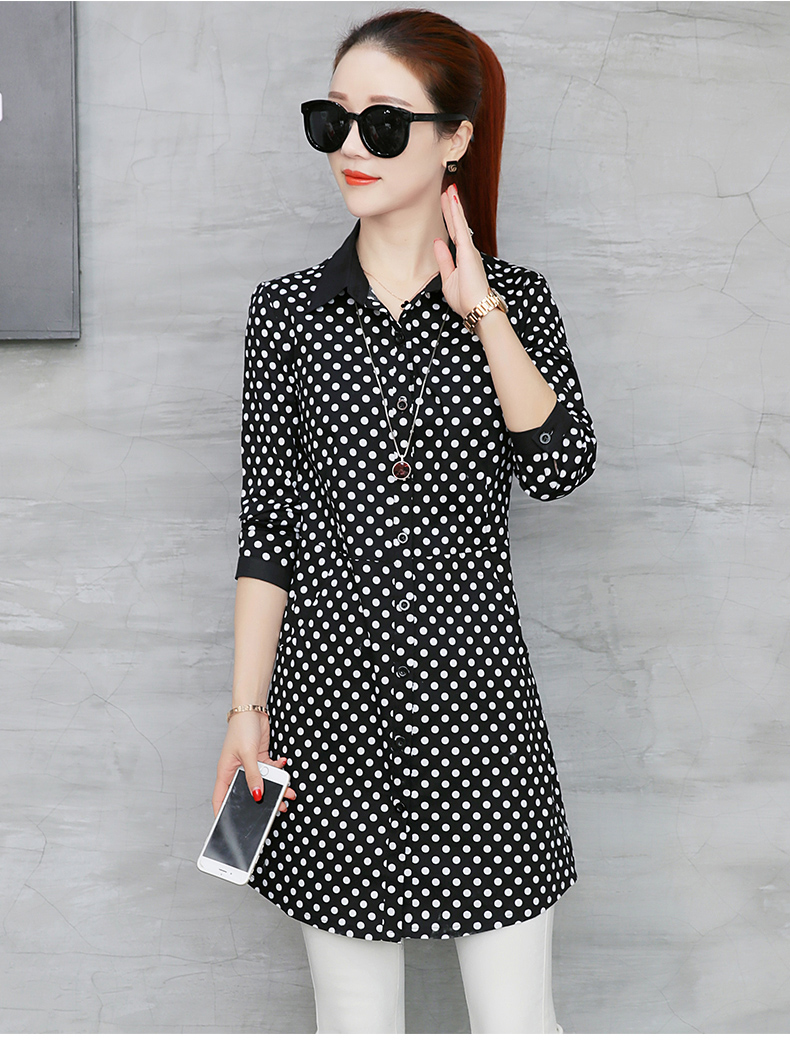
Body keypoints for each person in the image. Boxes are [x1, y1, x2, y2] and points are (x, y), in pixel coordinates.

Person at [210, 7, 596, 1035]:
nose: (351, 146)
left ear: (455, 138)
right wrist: (246, 711)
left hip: (477, 714)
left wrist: (483, 312)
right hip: (326, 716)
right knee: (354, 1030)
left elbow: (562, 467)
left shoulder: (516, 304)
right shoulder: (286, 313)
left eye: (383, 124)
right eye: (331, 120)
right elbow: (269, 527)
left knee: (519, 1028)